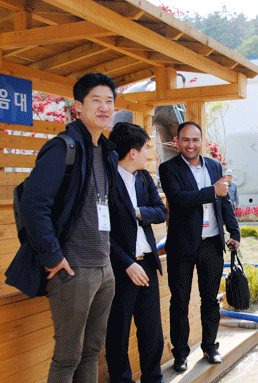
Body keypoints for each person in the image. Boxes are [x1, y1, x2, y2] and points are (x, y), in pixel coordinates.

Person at [5, 73, 119, 382]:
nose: (104, 107)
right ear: (78, 107)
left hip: (103, 268)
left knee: (92, 351)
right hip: (73, 270)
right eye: (95, 100)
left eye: (109, 101)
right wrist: (53, 256)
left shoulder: (106, 152)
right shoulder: (62, 148)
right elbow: (33, 205)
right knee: (68, 357)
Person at [159, 121, 241, 372]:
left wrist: (234, 231)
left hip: (212, 244)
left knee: (210, 300)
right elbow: (179, 199)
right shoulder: (168, 168)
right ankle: (181, 354)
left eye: (195, 140)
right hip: (182, 246)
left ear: (201, 141)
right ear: (177, 142)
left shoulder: (215, 166)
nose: (191, 145)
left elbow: (223, 200)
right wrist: (212, 191)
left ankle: (210, 347)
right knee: (180, 302)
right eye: (185, 140)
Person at [106, 123, 167, 383]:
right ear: (132, 152)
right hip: (121, 270)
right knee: (118, 334)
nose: (147, 153)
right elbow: (101, 233)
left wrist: (139, 212)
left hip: (148, 266)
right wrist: (127, 264)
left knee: (152, 332)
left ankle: (153, 379)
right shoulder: (106, 180)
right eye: (145, 148)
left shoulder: (144, 177)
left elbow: (161, 211)